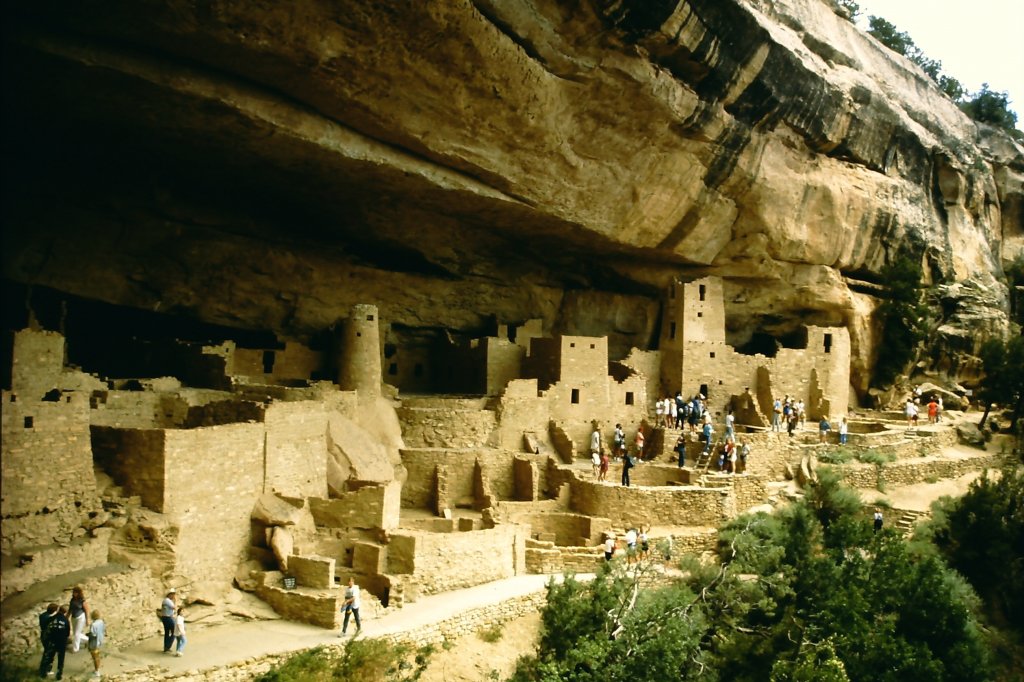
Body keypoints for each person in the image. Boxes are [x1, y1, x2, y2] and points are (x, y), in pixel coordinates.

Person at [39, 605, 70, 680]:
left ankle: (43, 673)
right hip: (62, 641)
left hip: (52, 640)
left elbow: (46, 627)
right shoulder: (66, 620)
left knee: (49, 656)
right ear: (65, 612)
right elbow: (67, 633)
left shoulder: (51, 618)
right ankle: (59, 674)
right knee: (61, 658)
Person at [69, 585, 90, 653]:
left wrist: (87, 620)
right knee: (76, 633)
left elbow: (87, 610)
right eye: (73, 592)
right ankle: (88, 640)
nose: (74, 593)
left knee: (77, 634)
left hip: (80, 617)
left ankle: (75, 649)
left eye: (75, 592)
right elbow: (70, 609)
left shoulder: (82, 601)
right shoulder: (72, 600)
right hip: (73, 617)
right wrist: (66, 617)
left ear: (78, 593)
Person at [88, 609, 106, 676]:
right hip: (100, 641)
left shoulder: (93, 625)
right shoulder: (102, 622)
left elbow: (93, 634)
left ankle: (97, 670)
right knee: (97, 656)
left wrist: (88, 634)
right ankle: (97, 668)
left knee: (95, 657)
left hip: (94, 642)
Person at [160, 589, 177, 653]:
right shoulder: (167, 600)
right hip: (167, 618)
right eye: (173, 594)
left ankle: (166, 647)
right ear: (169, 594)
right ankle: (168, 646)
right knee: (174, 631)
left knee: (167, 633)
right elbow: (174, 607)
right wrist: (175, 600)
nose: (173, 596)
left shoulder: (166, 600)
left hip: (166, 618)